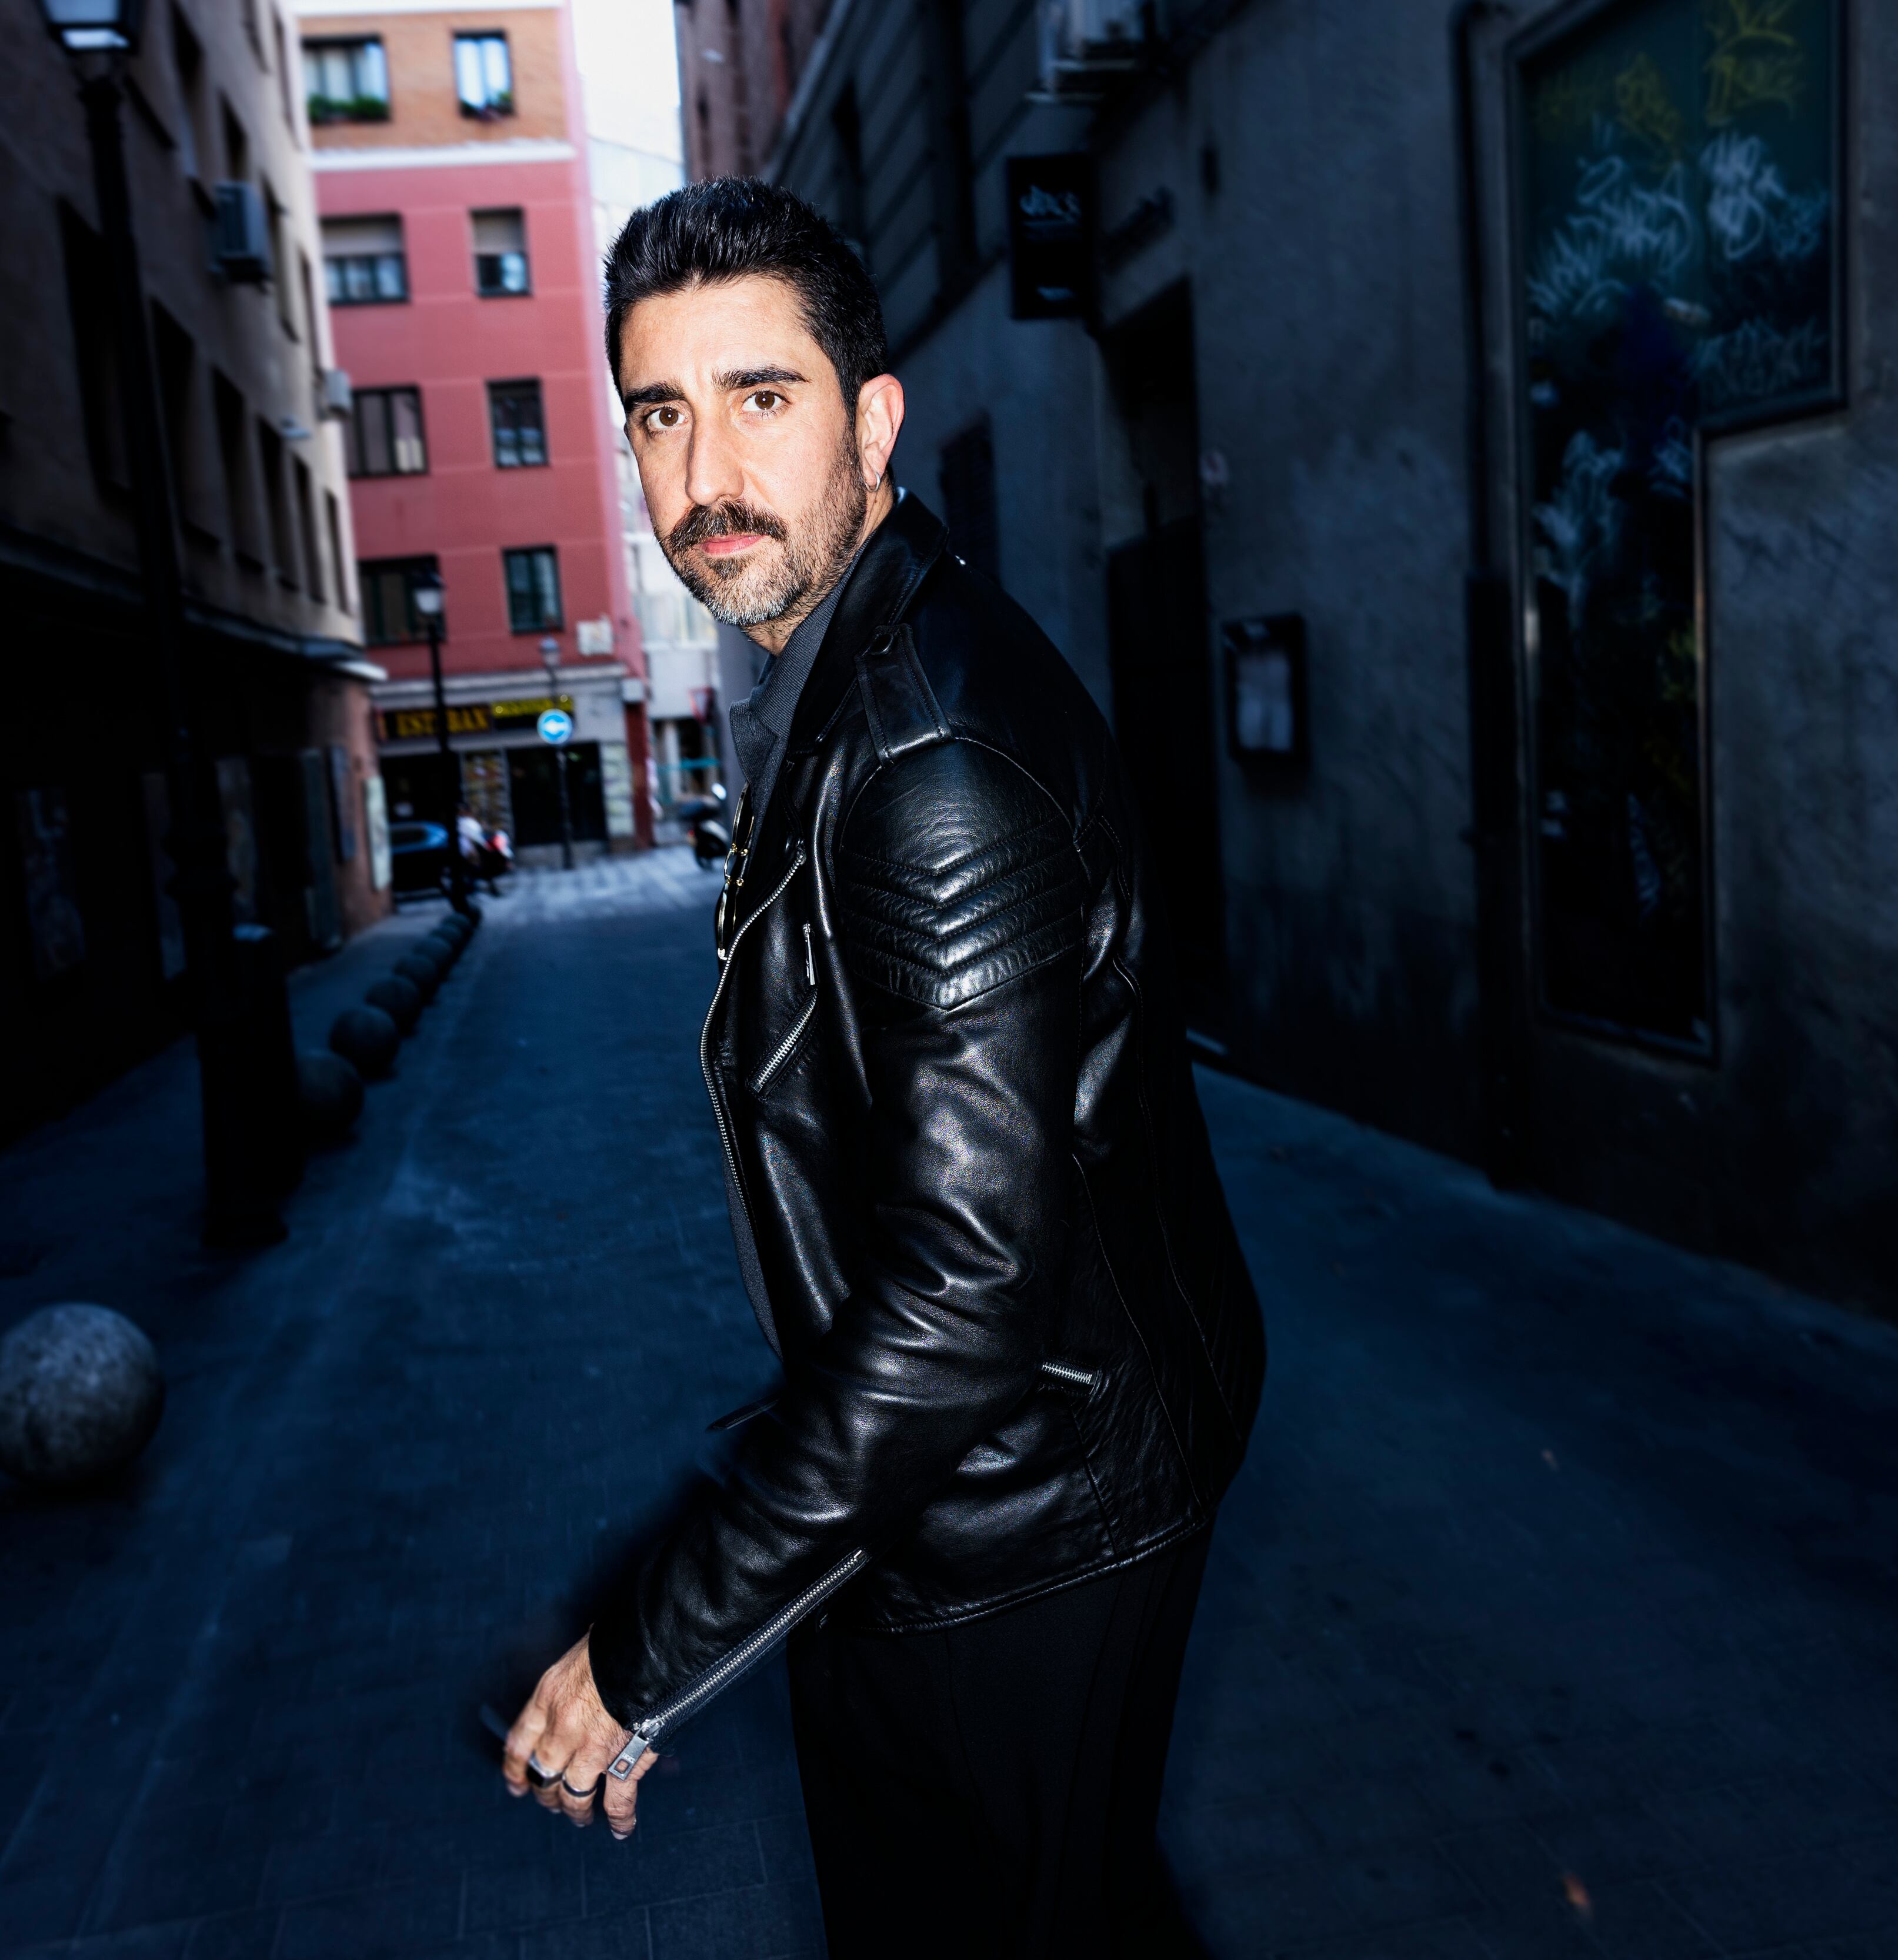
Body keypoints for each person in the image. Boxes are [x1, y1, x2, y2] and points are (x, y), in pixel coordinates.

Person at [497, 179, 1266, 1957]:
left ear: (874, 419)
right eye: (662, 415)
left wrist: (648, 1647)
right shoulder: (860, 678)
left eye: (762, 398)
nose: (707, 477)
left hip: (1028, 1522)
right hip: (1000, 1479)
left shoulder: (925, 762)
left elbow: (963, 1300)